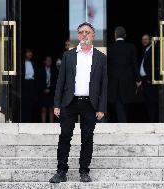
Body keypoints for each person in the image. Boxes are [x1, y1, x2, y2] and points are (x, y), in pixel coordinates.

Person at [49, 22, 107, 183]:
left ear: (93, 35)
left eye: (87, 32)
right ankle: (61, 171)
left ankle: (84, 171)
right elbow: (60, 82)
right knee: (65, 136)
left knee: (87, 137)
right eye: (81, 32)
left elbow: (104, 85)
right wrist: (56, 104)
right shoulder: (68, 55)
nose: (84, 35)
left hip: (90, 103)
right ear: (78, 35)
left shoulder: (101, 58)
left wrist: (101, 107)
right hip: (69, 102)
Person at [107, 26, 140, 123]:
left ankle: (123, 121)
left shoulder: (110, 48)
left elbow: (106, 66)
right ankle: (124, 121)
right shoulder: (131, 47)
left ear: (115, 35)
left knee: (118, 103)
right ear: (125, 35)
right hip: (128, 81)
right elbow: (135, 64)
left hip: (114, 81)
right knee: (126, 102)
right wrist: (138, 79)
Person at [138, 33, 159, 122]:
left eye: (146, 39)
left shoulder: (153, 49)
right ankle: (150, 119)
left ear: (150, 40)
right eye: (143, 39)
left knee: (151, 101)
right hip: (145, 80)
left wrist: (150, 78)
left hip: (150, 79)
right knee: (147, 101)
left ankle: (153, 120)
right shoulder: (146, 50)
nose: (144, 41)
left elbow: (154, 65)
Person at [38, 56, 58, 123]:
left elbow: (56, 82)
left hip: (51, 92)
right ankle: (43, 124)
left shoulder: (54, 71)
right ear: (44, 62)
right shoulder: (40, 70)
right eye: (47, 60)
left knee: (51, 109)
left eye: (50, 60)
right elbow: (39, 81)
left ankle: (51, 125)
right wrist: (43, 89)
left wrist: (50, 89)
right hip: (43, 92)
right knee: (43, 109)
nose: (49, 61)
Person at [21, 49, 37, 123]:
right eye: (28, 52)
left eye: (30, 52)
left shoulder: (33, 63)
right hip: (24, 84)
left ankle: (30, 120)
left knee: (31, 103)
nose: (30, 54)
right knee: (24, 103)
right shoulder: (21, 63)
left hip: (32, 84)